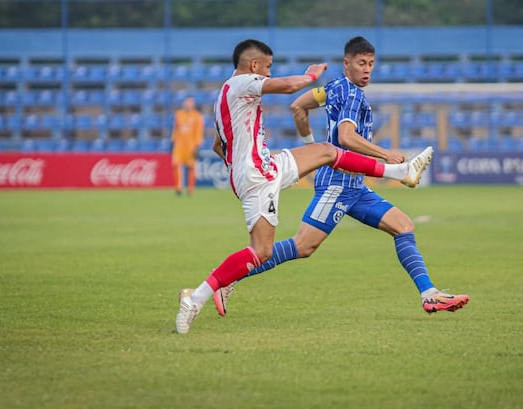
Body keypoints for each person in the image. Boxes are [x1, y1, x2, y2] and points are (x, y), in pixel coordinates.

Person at [175, 39, 433, 334]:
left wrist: (242, 167)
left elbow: (217, 145)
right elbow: (288, 89)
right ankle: (196, 297)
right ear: (254, 66)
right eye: (268, 68)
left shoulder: (222, 97)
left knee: (324, 152)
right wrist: (311, 75)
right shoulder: (243, 83)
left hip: (260, 168)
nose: (268, 75)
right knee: (263, 251)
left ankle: (401, 171)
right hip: (258, 174)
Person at [215, 36, 469, 316]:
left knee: (404, 226)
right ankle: (226, 280)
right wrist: (384, 154)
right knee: (303, 246)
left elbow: (298, 106)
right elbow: (346, 137)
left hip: (355, 186)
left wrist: (311, 141)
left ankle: (429, 294)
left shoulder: (333, 87)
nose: (367, 69)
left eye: (371, 64)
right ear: (347, 63)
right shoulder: (351, 94)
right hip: (337, 183)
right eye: (361, 63)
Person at [171, 96, 204, 196]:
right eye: (187, 102)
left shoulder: (197, 116)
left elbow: (199, 131)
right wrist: (172, 141)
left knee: (191, 167)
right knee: (176, 164)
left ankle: (190, 189)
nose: (189, 104)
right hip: (179, 145)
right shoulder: (179, 114)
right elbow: (176, 129)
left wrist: (197, 145)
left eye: (191, 103)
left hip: (191, 146)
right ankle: (178, 188)